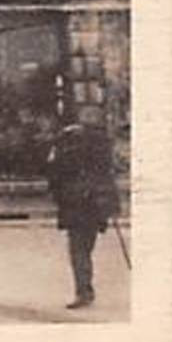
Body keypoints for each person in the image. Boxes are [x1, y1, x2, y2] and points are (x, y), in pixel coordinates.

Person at [47, 113, 121, 310]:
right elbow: (109, 172)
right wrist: (111, 205)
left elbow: (54, 172)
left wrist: (57, 196)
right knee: (86, 247)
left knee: (78, 249)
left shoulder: (64, 143)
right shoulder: (100, 142)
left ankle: (84, 291)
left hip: (75, 203)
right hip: (96, 202)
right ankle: (85, 289)